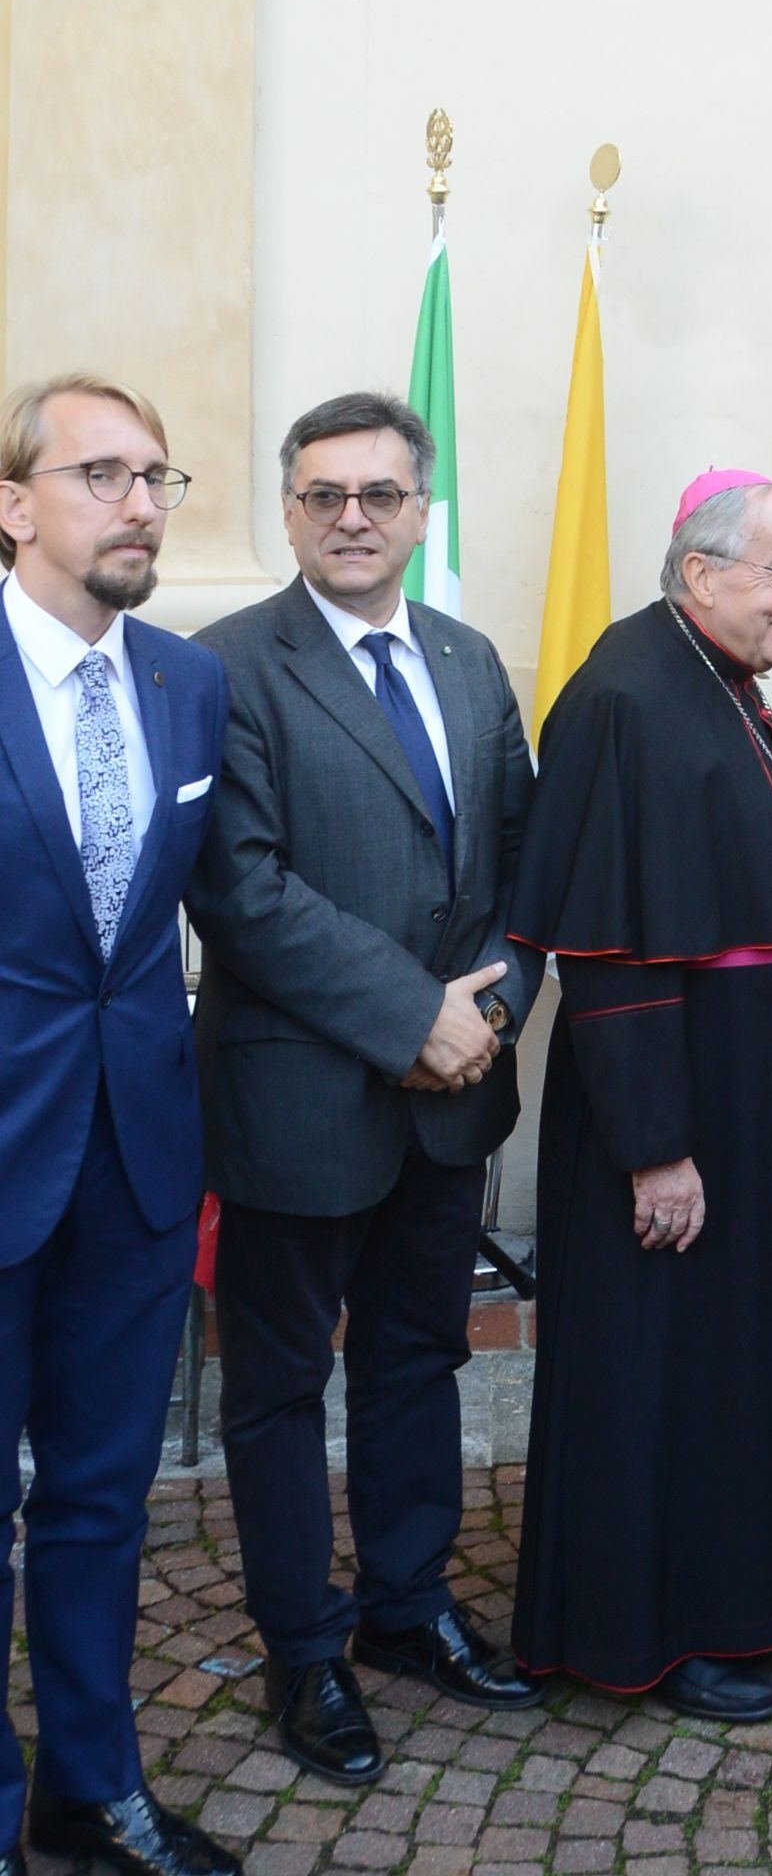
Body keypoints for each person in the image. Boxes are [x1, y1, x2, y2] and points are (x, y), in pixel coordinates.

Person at [191, 394, 540, 1787]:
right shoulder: (227, 668)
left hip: (450, 1098)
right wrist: (412, 1021)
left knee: (419, 1360)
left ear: (417, 512)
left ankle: (407, 1609)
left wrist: (490, 1002)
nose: (353, 517)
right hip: (300, 1102)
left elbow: (526, 861)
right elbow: (244, 890)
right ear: (288, 508)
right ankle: (303, 1650)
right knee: (280, 1390)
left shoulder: (465, 658)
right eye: (325, 494)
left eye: (380, 495)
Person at [508, 469, 772, 1721]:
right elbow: (612, 954)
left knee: (732, 1365)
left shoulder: (723, 684)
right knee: (665, 1372)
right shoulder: (628, 695)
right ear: (699, 575)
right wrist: (658, 1149)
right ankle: (654, 1629)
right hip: (677, 1111)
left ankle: (740, 1596)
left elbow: (753, 859)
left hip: (753, 1099)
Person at [0, 377, 238, 1876]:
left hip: (138, 1158)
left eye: (158, 477)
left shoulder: (186, 686)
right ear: (15, 505)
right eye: (103, 475)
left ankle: (93, 1789)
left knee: (99, 1497)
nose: (141, 503)